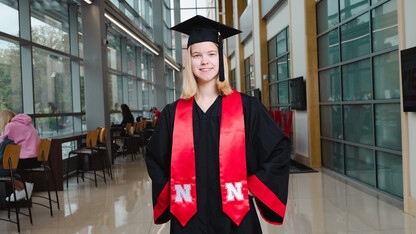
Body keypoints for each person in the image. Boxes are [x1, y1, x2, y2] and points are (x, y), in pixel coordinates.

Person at [145, 15, 290, 234]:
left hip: (236, 219)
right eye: (197, 55)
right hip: (188, 220)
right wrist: (174, 190)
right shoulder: (172, 114)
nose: (205, 61)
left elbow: (279, 148)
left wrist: (254, 185)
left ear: (221, 58)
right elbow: (155, 159)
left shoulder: (247, 108)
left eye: (212, 54)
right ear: (189, 61)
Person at [0, 110, 40, 201]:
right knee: (7, 165)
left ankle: (23, 187)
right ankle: (21, 188)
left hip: (28, 160)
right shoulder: (25, 124)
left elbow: (4, 142)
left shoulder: (11, 126)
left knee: (5, 165)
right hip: (36, 159)